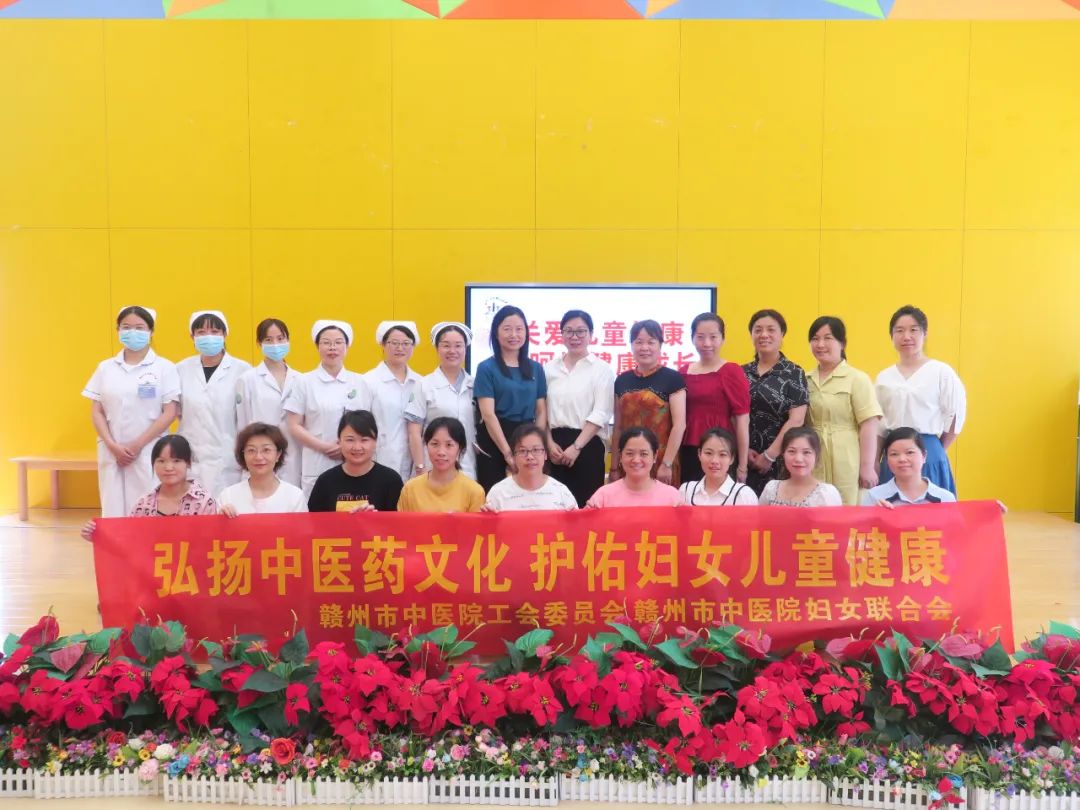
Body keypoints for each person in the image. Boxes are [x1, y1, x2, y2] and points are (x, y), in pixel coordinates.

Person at [82, 305, 180, 517]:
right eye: (126, 327)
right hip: (111, 450)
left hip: (148, 449)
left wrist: (137, 445)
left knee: (147, 507)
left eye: (139, 327)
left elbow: (170, 412)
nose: (132, 332)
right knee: (112, 507)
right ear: (118, 330)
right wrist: (112, 445)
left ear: (151, 331)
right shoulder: (105, 368)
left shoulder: (165, 368)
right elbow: (97, 411)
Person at [875, 305, 966, 496]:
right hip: (893, 453)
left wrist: (933, 449)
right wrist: (875, 460)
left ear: (925, 333)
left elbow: (954, 416)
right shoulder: (884, 377)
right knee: (891, 508)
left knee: (931, 510)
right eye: (899, 330)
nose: (906, 336)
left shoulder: (941, 372)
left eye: (913, 330)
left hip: (928, 453)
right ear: (892, 336)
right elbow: (879, 425)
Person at [285, 320, 372, 498]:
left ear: (347, 346)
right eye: (326, 342)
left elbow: (369, 425)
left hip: (355, 460)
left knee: (353, 508)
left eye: (338, 342)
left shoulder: (361, 382)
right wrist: (324, 447)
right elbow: (294, 425)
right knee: (319, 509)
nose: (332, 348)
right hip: (317, 461)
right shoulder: (304, 382)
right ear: (317, 346)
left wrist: (349, 448)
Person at [806, 316, 883, 506]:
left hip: (848, 456)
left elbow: (869, 424)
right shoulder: (805, 379)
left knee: (847, 506)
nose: (820, 344)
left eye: (828, 338)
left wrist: (867, 466)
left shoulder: (857, 379)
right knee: (815, 504)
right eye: (815, 339)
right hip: (814, 454)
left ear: (842, 343)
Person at [176, 310, 252, 498]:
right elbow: (177, 412)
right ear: (192, 337)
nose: (208, 337)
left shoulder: (243, 371)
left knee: (226, 508)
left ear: (225, 334)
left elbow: (247, 419)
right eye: (201, 332)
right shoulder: (181, 369)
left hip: (227, 460)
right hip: (191, 457)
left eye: (215, 331)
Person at [80, 435, 215, 540]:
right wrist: (98, 537)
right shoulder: (144, 505)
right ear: (153, 464)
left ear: (188, 463)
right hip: (153, 568)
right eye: (161, 461)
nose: (168, 467)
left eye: (176, 461)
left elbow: (213, 541)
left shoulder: (204, 502)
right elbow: (129, 542)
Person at [544, 310, 614, 507]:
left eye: (581, 331)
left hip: (587, 446)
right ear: (561, 334)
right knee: (553, 507)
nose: (575, 337)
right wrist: (548, 444)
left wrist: (576, 447)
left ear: (591, 334)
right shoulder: (549, 368)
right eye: (569, 331)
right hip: (554, 448)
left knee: (586, 508)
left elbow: (601, 412)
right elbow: (541, 411)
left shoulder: (601, 369)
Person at [474, 305, 548, 492]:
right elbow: (488, 414)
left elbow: (541, 411)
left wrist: (535, 445)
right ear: (496, 333)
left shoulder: (536, 368)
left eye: (519, 329)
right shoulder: (486, 368)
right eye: (507, 329)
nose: (514, 334)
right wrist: (508, 453)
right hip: (495, 438)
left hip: (527, 438)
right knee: (494, 495)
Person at [611, 320, 686, 486]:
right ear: (631, 345)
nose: (644, 347)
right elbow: (618, 427)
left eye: (651, 342)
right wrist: (614, 467)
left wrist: (667, 464)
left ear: (660, 345)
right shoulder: (622, 380)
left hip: (661, 463)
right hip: (629, 462)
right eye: (639, 342)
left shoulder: (673, 378)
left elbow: (679, 426)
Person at [742, 309, 809, 496]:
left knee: (777, 509)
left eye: (771, 330)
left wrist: (769, 456)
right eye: (758, 330)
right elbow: (733, 415)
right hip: (743, 460)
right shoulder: (741, 372)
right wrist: (743, 449)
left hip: (780, 461)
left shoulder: (794, 373)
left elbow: (797, 419)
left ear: (782, 334)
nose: (764, 335)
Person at [678, 313, 750, 484]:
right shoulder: (683, 372)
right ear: (692, 338)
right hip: (688, 449)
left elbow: (742, 420)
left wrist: (742, 465)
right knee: (690, 495)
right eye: (700, 337)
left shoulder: (731, 371)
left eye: (713, 337)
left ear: (722, 339)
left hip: (721, 450)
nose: (707, 343)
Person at [405, 322, 477, 480]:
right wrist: (420, 467)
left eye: (458, 345)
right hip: (431, 466)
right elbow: (414, 431)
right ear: (437, 348)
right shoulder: (424, 385)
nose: (452, 351)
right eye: (446, 345)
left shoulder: (474, 384)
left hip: (466, 466)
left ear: (465, 349)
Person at [235, 318, 302, 487]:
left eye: (280, 338)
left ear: (288, 340)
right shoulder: (247, 380)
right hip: (260, 456)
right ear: (259, 343)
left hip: (294, 456)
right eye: (268, 340)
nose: (275, 344)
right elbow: (243, 424)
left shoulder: (301, 380)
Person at [307, 410, 404, 512]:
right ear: (339, 441)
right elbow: (313, 520)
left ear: (375, 441)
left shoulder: (391, 481)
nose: (357, 447)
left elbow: (399, 520)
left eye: (364, 440)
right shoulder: (325, 482)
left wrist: (374, 518)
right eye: (350, 440)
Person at [364, 320, 422, 482]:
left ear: (413, 346)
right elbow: (360, 425)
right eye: (394, 343)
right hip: (379, 459)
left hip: (414, 462)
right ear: (383, 345)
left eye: (406, 343)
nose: (400, 348)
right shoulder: (368, 381)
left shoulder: (421, 383)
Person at [398, 417, 486, 512]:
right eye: (435, 444)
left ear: (460, 449)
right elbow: (401, 521)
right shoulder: (410, 489)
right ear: (426, 445)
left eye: (449, 445)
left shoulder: (474, 492)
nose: (441, 452)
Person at [483, 424, 578, 512]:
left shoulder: (561, 493)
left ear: (545, 454)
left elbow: (577, 524)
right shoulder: (498, 493)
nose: (530, 457)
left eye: (536, 450)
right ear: (513, 456)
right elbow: (487, 525)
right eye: (522, 451)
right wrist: (487, 519)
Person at [217, 423, 307, 515]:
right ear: (243, 455)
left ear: (278, 454)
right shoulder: (228, 497)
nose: (258, 457)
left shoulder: (295, 497)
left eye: (266, 450)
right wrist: (222, 519)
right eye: (251, 450)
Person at [586, 427, 682, 508]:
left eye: (644, 454)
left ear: (655, 456)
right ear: (620, 456)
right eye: (629, 453)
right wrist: (589, 512)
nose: (636, 460)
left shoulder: (672, 497)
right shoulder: (603, 496)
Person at [861, 427, 957, 506]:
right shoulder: (874, 497)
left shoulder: (945, 498)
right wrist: (875, 515)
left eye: (909, 452)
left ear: (924, 456)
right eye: (894, 454)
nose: (902, 459)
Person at [758, 427, 843, 507]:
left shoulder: (826, 493)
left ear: (816, 456)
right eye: (792, 451)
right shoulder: (771, 489)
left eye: (806, 452)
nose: (798, 459)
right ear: (783, 454)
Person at [678, 428, 758, 506]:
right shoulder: (686, 491)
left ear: (732, 458)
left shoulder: (744, 495)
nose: (714, 461)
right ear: (699, 454)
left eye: (722, 454)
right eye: (708, 453)